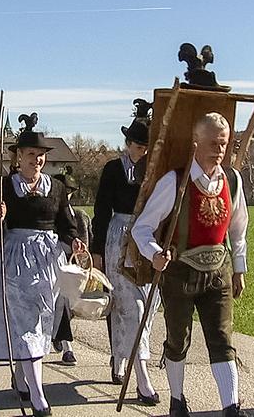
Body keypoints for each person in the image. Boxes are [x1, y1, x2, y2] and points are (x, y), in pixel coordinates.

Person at [132, 113, 254, 417]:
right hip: (179, 273)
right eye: (213, 142)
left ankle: (231, 408)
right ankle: (177, 401)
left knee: (222, 339)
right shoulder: (175, 181)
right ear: (196, 141)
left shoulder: (232, 180)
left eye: (225, 143)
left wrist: (239, 267)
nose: (220, 149)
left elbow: (239, 228)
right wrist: (154, 253)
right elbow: (141, 228)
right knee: (178, 339)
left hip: (218, 272)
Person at [0, 113, 84, 417]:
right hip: (14, 261)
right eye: (31, 155)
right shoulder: (4, 186)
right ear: (18, 156)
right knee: (23, 323)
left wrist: (73, 243)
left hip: (46, 262)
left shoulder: (55, 187)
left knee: (42, 322)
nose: (37, 161)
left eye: (41, 156)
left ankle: (22, 374)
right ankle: (39, 395)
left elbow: (67, 225)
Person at [91, 99, 161, 404]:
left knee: (148, 305)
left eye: (146, 146)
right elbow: (100, 209)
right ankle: (140, 375)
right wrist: (96, 252)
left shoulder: (156, 171)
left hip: (147, 239)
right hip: (118, 239)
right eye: (137, 145)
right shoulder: (113, 170)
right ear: (128, 143)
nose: (141, 151)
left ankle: (123, 356)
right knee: (126, 305)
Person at [51, 167, 92, 366]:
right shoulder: (50, 213)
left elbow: (88, 241)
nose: (65, 196)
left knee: (66, 306)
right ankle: (68, 348)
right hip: (52, 264)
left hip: (74, 267)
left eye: (68, 192)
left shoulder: (80, 216)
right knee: (61, 304)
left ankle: (59, 336)